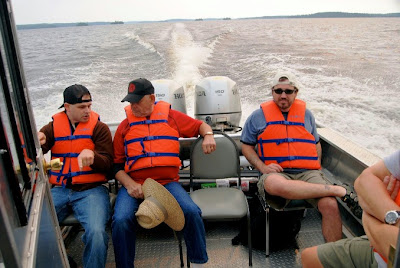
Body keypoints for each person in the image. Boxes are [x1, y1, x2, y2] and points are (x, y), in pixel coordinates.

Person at [241, 71, 360, 242]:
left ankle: (333, 255)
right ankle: (339, 190)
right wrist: (262, 167)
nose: (283, 95)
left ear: (296, 92)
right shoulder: (257, 117)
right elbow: (246, 145)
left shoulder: (307, 115)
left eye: (288, 91)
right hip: (277, 173)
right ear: (272, 91)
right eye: (278, 91)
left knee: (330, 204)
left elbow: (316, 143)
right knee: (275, 185)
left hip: (307, 173)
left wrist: (317, 167)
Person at [112, 78, 216, 268]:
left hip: (167, 184)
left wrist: (208, 135)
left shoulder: (172, 117)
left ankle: (199, 260)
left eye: (137, 100)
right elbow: (116, 166)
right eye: (130, 101)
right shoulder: (124, 126)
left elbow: (200, 126)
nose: (133, 105)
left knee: (192, 212)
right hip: (134, 184)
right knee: (120, 220)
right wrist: (129, 185)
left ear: (151, 98)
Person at [38, 84, 113, 268]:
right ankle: (66, 263)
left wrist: (93, 156)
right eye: (81, 107)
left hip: (92, 191)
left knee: (96, 233)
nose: (87, 111)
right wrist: (36, 141)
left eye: (89, 106)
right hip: (61, 189)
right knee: (34, 231)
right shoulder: (52, 128)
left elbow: (109, 165)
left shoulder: (100, 128)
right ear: (67, 107)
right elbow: (34, 153)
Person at [301, 149, 400, 268]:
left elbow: (392, 247)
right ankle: (339, 191)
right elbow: (364, 179)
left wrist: (369, 215)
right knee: (308, 257)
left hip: (386, 253)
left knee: (329, 204)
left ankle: (338, 190)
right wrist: (392, 217)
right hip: (381, 239)